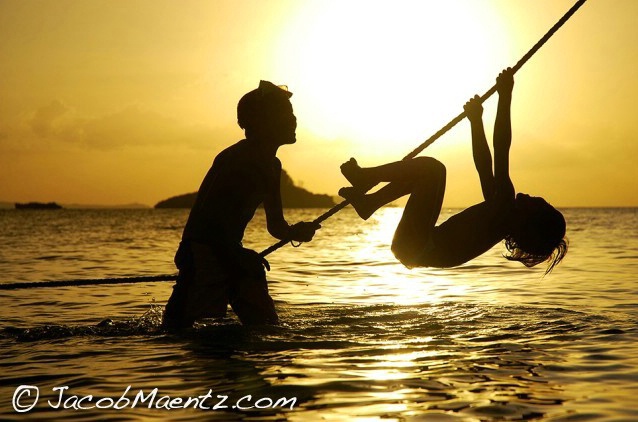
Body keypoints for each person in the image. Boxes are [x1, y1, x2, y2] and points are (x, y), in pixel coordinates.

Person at [339, 68, 567, 273]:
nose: (532, 196)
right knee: (423, 177)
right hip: (413, 248)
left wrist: (505, 96)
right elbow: (484, 166)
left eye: (538, 203)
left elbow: (501, 148)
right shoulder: (498, 212)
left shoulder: (505, 205)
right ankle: (371, 202)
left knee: (433, 170)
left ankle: (366, 177)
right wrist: (476, 121)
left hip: (418, 244)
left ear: (531, 219)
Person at [162, 81, 319, 329]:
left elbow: (276, 226)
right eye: (285, 113)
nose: (294, 119)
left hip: (228, 254)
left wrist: (294, 232)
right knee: (178, 331)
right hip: (205, 253)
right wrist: (236, 256)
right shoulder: (240, 159)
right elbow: (209, 221)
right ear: (262, 122)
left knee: (266, 327)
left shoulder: (271, 165)